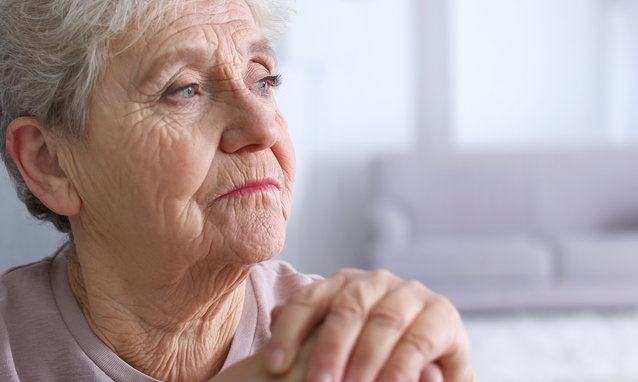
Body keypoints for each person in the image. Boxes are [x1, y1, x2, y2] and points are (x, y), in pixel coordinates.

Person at [0, 0, 475, 381]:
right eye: (185, 89)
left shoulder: (342, 347)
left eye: (263, 80)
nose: (264, 126)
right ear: (50, 163)